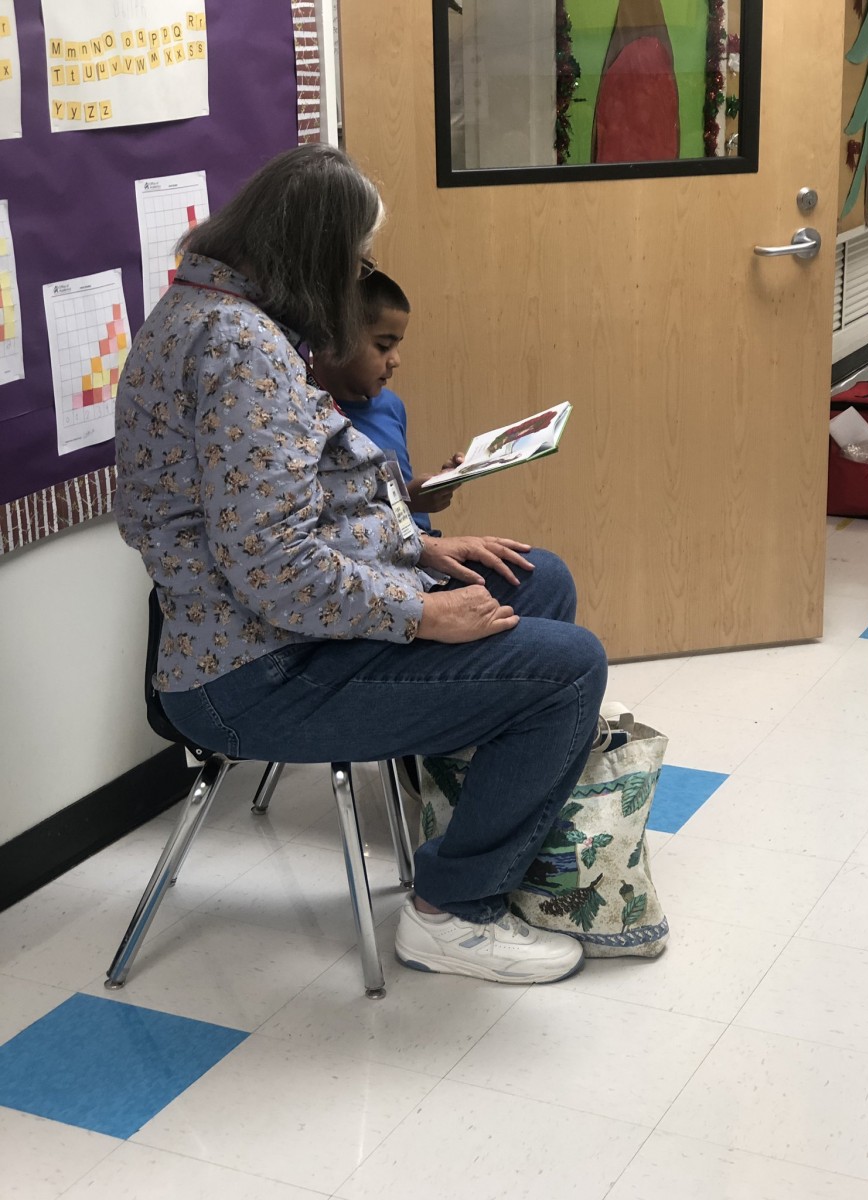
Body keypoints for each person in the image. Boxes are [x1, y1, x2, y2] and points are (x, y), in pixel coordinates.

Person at [114, 143, 608, 985]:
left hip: (273, 639)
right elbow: (273, 564)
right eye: (354, 256)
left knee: (535, 578)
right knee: (569, 669)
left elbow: (290, 514)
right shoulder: (241, 351)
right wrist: (419, 611)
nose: (359, 272)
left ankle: (479, 817)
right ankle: (453, 911)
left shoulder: (203, 310)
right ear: (313, 252)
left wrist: (415, 546)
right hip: (255, 675)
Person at [307, 268, 461, 533]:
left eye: (398, 345)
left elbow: (392, 491)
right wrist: (408, 500)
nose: (396, 360)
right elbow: (332, 518)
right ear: (332, 337)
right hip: (372, 557)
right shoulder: (307, 415)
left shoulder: (391, 406)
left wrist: (432, 487)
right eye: (383, 346)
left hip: (417, 543)